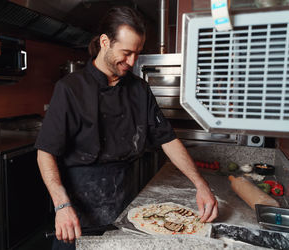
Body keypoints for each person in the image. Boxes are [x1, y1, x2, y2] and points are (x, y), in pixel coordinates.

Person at [35, 6, 218, 250]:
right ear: (104, 42)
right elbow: (46, 152)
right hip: (76, 209)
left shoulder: (139, 89)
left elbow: (167, 139)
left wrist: (201, 185)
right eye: (126, 52)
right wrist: (61, 205)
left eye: (137, 53)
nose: (132, 61)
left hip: (126, 201)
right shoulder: (70, 89)